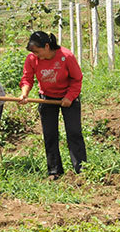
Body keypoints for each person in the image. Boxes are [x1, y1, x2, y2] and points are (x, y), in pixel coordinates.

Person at [19, 31, 86, 180]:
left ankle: (82, 169)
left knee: (74, 133)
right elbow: (27, 79)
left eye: (38, 51)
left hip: (69, 97)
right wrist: (24, 94)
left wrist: (69, 97)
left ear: (47, 46)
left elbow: (77, 79)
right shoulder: (32, 59)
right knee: (50, 135)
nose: (36, 55)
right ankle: (54, 170)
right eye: (33, 52)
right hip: (47, 98)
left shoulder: (66, 56)